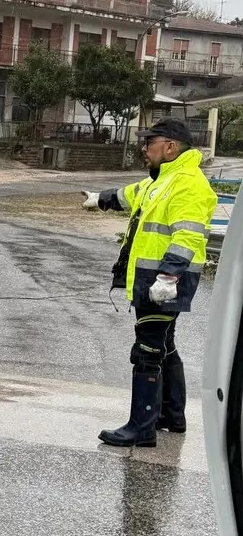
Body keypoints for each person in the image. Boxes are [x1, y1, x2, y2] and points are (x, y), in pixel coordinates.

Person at [82, 117, 216, 447]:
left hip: (164, 282)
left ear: (169, 147)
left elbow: (188, 235)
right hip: (155, 279)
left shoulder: (188, 183)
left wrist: (168, 276)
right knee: (164, 344)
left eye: (149, 142)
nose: (144, 148)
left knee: (147, 350)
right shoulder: (163, 179)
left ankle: (141, 428)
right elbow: (130, 194)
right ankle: (172, 415)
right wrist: (101, 198)